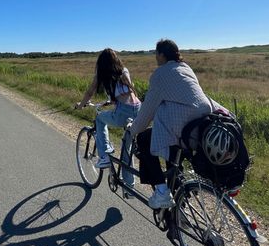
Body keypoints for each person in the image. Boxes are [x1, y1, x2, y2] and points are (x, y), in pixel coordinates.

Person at [129, 39, 212, 209]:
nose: (155, 57)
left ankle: (161, 192)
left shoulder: (161, 74)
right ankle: (179, 208)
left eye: (156, 54)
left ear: (161, 54)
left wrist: (133, 129)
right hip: (199, 126)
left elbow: (147, 111)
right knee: (173, 154)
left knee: (144, 139)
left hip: (183, 127)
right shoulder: (185, 68)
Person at [75, 48, 141, 186]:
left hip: (124, 112)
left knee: (99, 118)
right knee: (126, 147)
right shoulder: (124, 71)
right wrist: (111, 101)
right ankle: (129, 185)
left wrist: (81, 105)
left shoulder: (101, 74)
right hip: (139, 109)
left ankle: (104, 154)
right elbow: (126, 92)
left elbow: (89, 93)